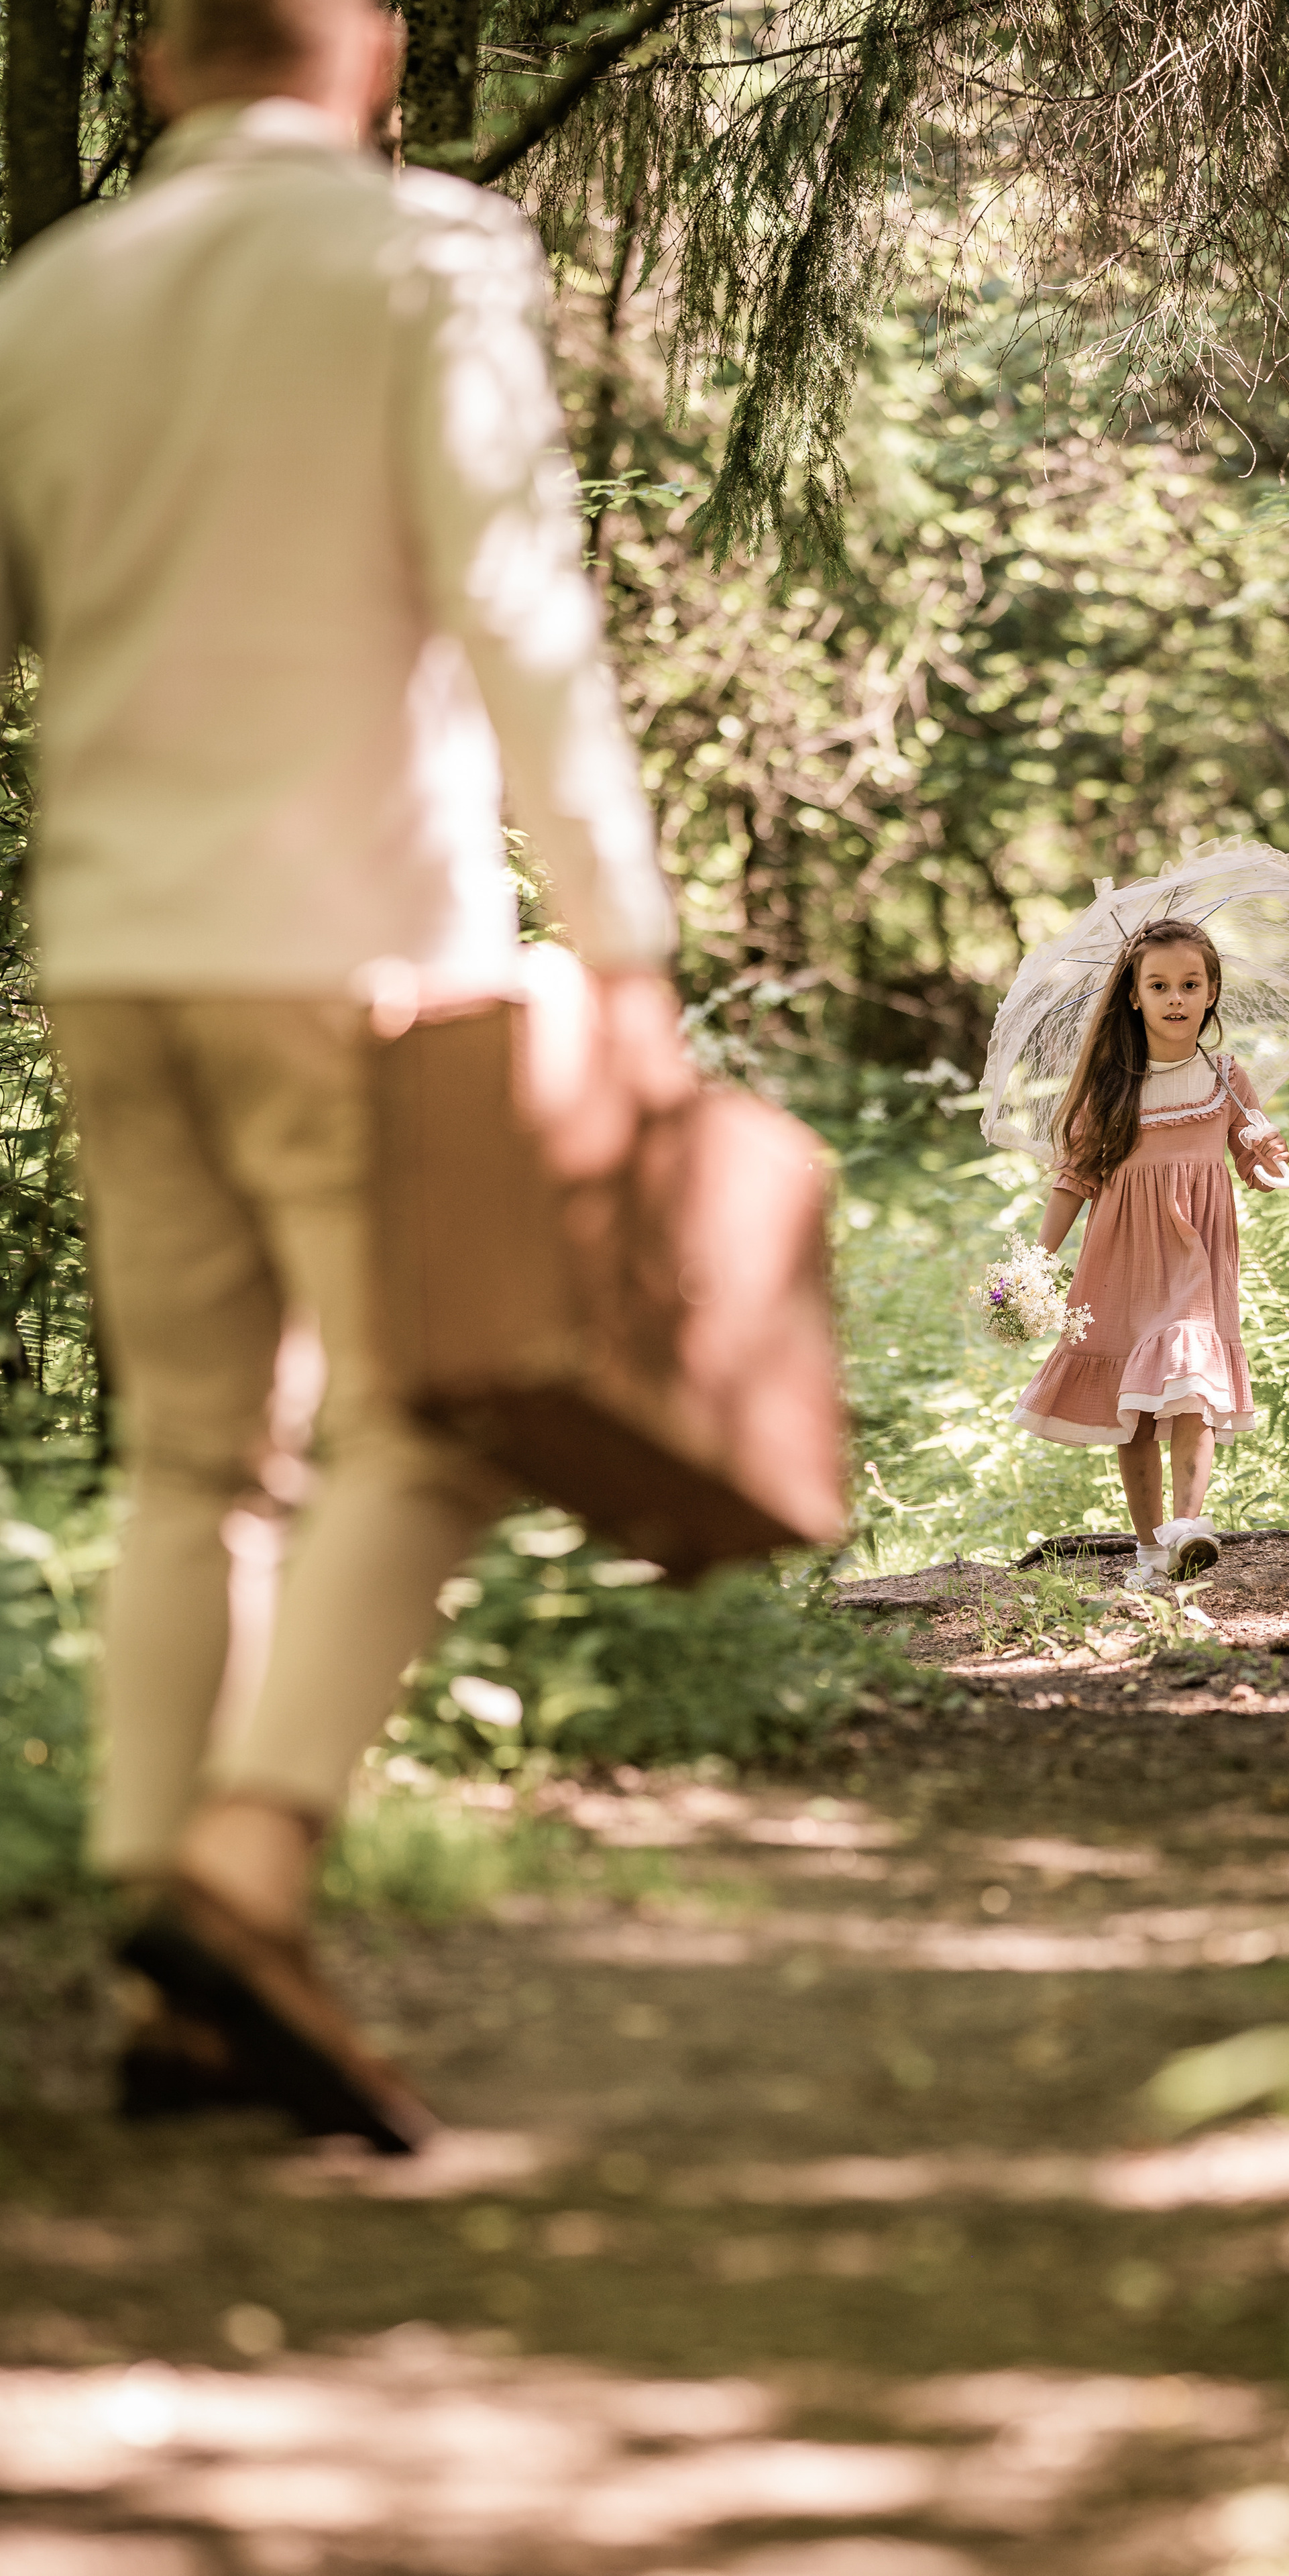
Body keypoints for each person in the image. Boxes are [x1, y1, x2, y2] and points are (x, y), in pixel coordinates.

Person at [0, 0, 677, 2149]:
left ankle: (172, 1961)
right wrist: (622, 935)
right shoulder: (420, 259)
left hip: (117, 944)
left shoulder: (55, 292)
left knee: (200, 1453)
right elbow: (514, 596)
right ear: (368, 56)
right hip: (352, 946)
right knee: (426, 1421)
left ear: (157, 64)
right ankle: (245, 1869)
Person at [1010, 918, 1289, 1585]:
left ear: (1211, 991)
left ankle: (1188, 1527)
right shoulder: (1112, 1087)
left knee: (1193, 1385)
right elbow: (1073, 1180)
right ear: (1133, 996)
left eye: (1189, 984)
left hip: (1197, 1263)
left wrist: (1268, 1158)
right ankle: (1147, 1552)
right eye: (1158, 985)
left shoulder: (1226, 1079)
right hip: (1123, 1262)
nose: (1175, 998)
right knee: (1136, 1411)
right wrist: (1036, 1262)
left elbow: (1255, 1171)